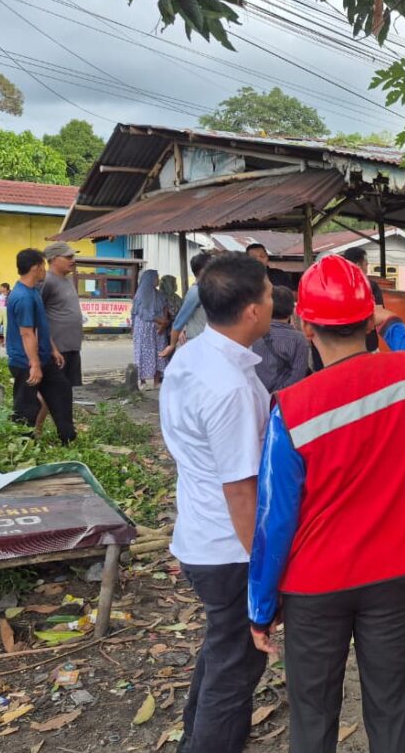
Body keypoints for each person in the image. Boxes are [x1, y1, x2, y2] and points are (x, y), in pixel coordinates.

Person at [249, 254, 405, 753]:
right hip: (393, 576)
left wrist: (261, 607)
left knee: (312, 719)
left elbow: (275, 519)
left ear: (306, 326)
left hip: (315, 586)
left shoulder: (292, 409)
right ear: (367, 318)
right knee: (393, 714)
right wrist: (391, 323)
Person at [159, 252, 274, 753]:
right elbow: (241, 489)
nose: (274, 304)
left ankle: (193, 737)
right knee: (236, 669)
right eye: (270, 296)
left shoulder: (193, 355)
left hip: (201, 536)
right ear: (252, 310)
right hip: (230, 548)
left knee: (222, 649)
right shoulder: (229, 389)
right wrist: (263, 569)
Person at [6, 248, 76, 444]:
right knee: (26, 406)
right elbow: (27, 333)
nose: (45, 270)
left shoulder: (33, 290)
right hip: (25, 362)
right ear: (36, 268)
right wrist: (34, 365)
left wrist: (52, 349)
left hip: (44, 357)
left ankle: (68, 438)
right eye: (43, 266)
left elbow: (40, 325)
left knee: (61, 391)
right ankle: (22, 444)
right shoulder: (22, 297)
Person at [39, 242, 85, 414]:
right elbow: (38, 315)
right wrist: (51, 347)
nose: (73, 260)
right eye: (68, 257)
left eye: (73, 256)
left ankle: (62, 427)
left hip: (71, 346)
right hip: (57, 349)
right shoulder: (46, 281)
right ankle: (36, 430)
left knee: (64, 391)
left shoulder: (67, 279)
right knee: (50, 392)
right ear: (53, 259)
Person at [251, 285, 311, 393]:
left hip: (255, 396)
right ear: (292, 310)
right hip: (282, 400)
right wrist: (277, 395)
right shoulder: (299, 339)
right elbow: (298, 375)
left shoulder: (253, 333)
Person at [160, 251, 213, 360]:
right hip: (196, 343)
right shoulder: (196, 292)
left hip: (208, 342)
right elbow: (179, 321)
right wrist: (172, 345)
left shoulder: (209, 290)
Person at [131, 269, 172, 388]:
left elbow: (165, 309)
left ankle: (156, 381)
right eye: (156, 278)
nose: (158, 280)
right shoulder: (140, 296)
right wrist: (159, 321)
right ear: (149, 279)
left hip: (158, 329)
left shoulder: (160, 295)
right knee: (143, 352)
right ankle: (142, 381)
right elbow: (140, 313)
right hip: (144, 329)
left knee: (159, 351)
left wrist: (163, 324)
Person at [341, 247, 385, 352]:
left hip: (342, 349)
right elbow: (379, 316)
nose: (367, 268)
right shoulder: (371, 286)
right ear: (357, 265)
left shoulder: (336, 287)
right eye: (366, 264)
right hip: (368, 347)